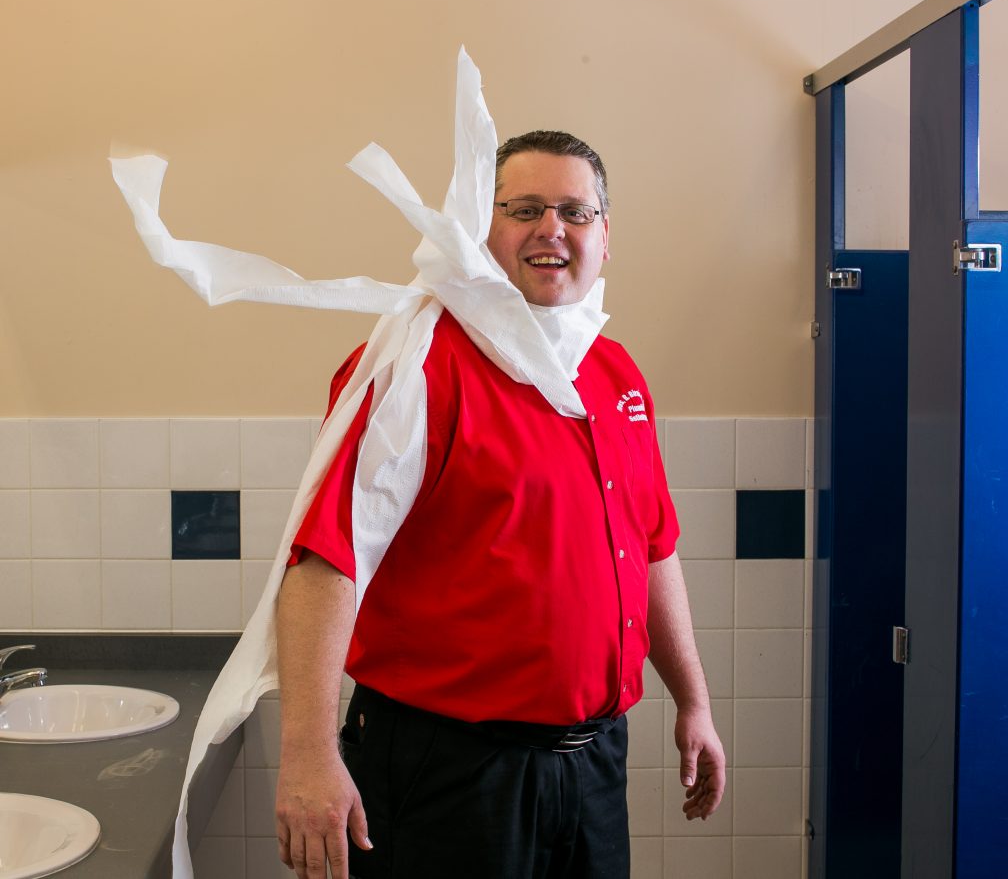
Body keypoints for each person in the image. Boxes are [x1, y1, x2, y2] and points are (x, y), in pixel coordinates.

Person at [273, 130, 726, 879]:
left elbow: (652, 547)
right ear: (481, 232)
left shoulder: (615, 374)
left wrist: (694, 703)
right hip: (449, 773)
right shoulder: (416, 362)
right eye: (524, 208)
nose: (553, 228)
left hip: (592, 766)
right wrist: (308, 752)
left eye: (577, 212)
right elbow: (326, 561)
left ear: (605, 238)